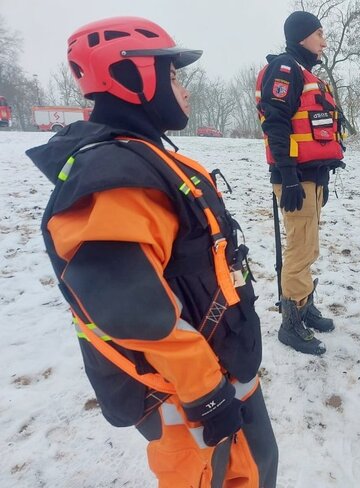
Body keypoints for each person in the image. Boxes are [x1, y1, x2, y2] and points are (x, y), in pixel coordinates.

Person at [26, 17, 277, 487]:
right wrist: (206, 393)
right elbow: (130, 309)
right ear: (130, 75)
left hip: (225, 361)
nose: (184, 89)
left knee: (259, 465)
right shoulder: (114, 177)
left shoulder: (146, 156)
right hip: (181, 391)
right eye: (174, 75)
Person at [255, 11, 345, 356]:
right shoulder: (285, 69)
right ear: (302, 36)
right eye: (319, 34)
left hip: (312, 177)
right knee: (299, 249)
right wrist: (289, 177)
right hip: (296, 178)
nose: (324, 41)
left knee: (308, 247)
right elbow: (275, 124)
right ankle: (290, 322)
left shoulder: (305, 73)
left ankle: (304, 304)